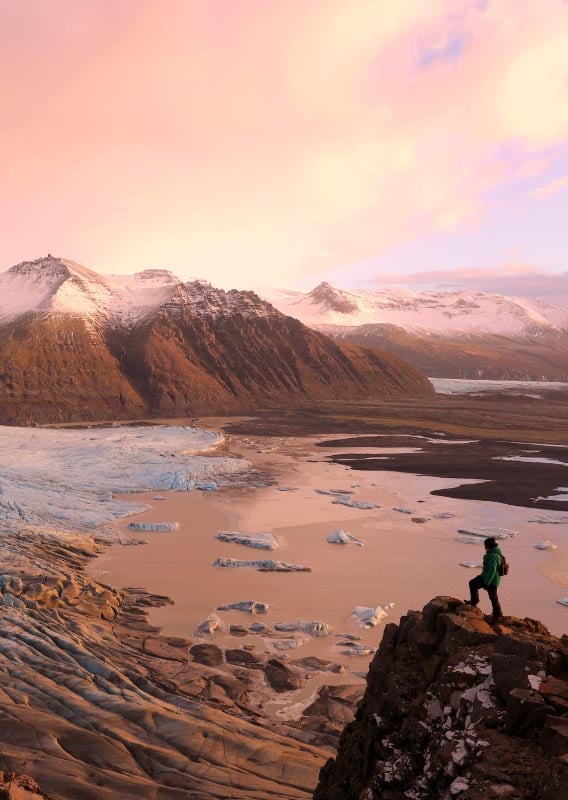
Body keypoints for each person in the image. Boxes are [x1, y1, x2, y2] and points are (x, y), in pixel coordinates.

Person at [465, 537, 503, 621]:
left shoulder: (492, 556)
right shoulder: (496, 553)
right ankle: (498, 614)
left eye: (485, 545)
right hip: (492, 578)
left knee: (473, 584)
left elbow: (492, 570)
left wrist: (487, 582)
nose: (484, 547)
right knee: (493, 597)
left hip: (490, 579)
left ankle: (497, 615)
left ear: (488, 546)